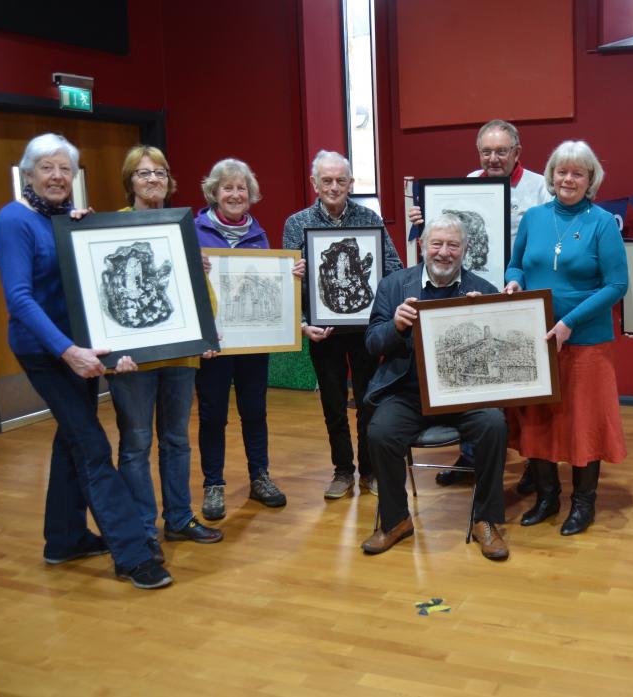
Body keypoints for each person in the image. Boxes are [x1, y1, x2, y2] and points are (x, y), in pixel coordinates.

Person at [0, 133, 171, 589]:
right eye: (46, 168)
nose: (56, 176)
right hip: (46, 353)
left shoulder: (63, 219)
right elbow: (19, 298)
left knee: (71, 440)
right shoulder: (14, 221)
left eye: (64, 169)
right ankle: (133, 554)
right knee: (91, 446)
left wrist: (84, 232)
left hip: (82, 350)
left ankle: (64, 539)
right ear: (27, 172)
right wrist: (67, 352)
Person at [359, 213, 509, 560]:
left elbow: (496, 353)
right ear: (423, 245)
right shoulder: (393, 286)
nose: (444, 252)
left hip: (464, 392)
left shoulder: (483, 290)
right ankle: (395, 521)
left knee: (494, 425)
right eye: (437, 243)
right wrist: (395, 325)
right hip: (408, 391)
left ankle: (485, 519)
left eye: (453, 245)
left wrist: (485, 314)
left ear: (464, 250)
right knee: (380, 432)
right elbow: (371, 343)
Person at [411, 120, 550, 493]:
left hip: (522, 296)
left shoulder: (540, 186)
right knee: (479, 382)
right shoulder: (470, 181)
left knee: (524, 383)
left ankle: (534, 465)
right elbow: (448, 231)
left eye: (501, 151)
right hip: (476, 292)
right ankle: (472, 457)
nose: (493, 158)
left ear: (517, 152)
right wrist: (424, 221)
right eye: (486, 151)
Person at [504, 140, 628, 536]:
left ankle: (583, 504)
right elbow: (517, 263)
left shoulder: (603, 222)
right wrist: (512, 281)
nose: (568, 179)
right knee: (539, 419)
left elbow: (617, 284)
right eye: (562, 171)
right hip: (537, 338)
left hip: (585, 340)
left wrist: (570, 322)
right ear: (551, 175)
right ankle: (546, 497)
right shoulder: (534, 217)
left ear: (591, 179)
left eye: (577, 172)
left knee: (582, 422)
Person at [108, 145, 223, 563]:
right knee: (136, 444)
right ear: (130, 182)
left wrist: (207, 333)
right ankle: (142, 529)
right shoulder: (108, 229)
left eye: (160, 173)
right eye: (143, 173)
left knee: (176, 440)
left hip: (180, 355)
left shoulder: (182, 226)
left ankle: (178, 518)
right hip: (132, 360)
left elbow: (197, 286)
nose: (153, 180)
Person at [282, 150, 403, 500]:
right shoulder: (296, 223)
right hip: (324, 332)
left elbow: (394, 266)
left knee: (369, 401)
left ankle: (370, 470)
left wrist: (375, 273)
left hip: (366, 329)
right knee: (333, 404)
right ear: (314, 184)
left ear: (350, 183)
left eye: (341, 180)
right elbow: (290, 283)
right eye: (327, 180)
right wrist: (304, 320)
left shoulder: (369, 218)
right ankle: (342, 471)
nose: (334, 186)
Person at [194, 158, 306, 520]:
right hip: (213, 344)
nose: (235, 194)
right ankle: (214, 484)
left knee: (254, 411)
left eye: (241, 188)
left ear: (251, 194)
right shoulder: (194, 232)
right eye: (227, 187)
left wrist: (290, 275)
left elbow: (268, 287)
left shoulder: (259, 235)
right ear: (214, 192)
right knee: (212, 415)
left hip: (253, 345)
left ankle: (260, 477)